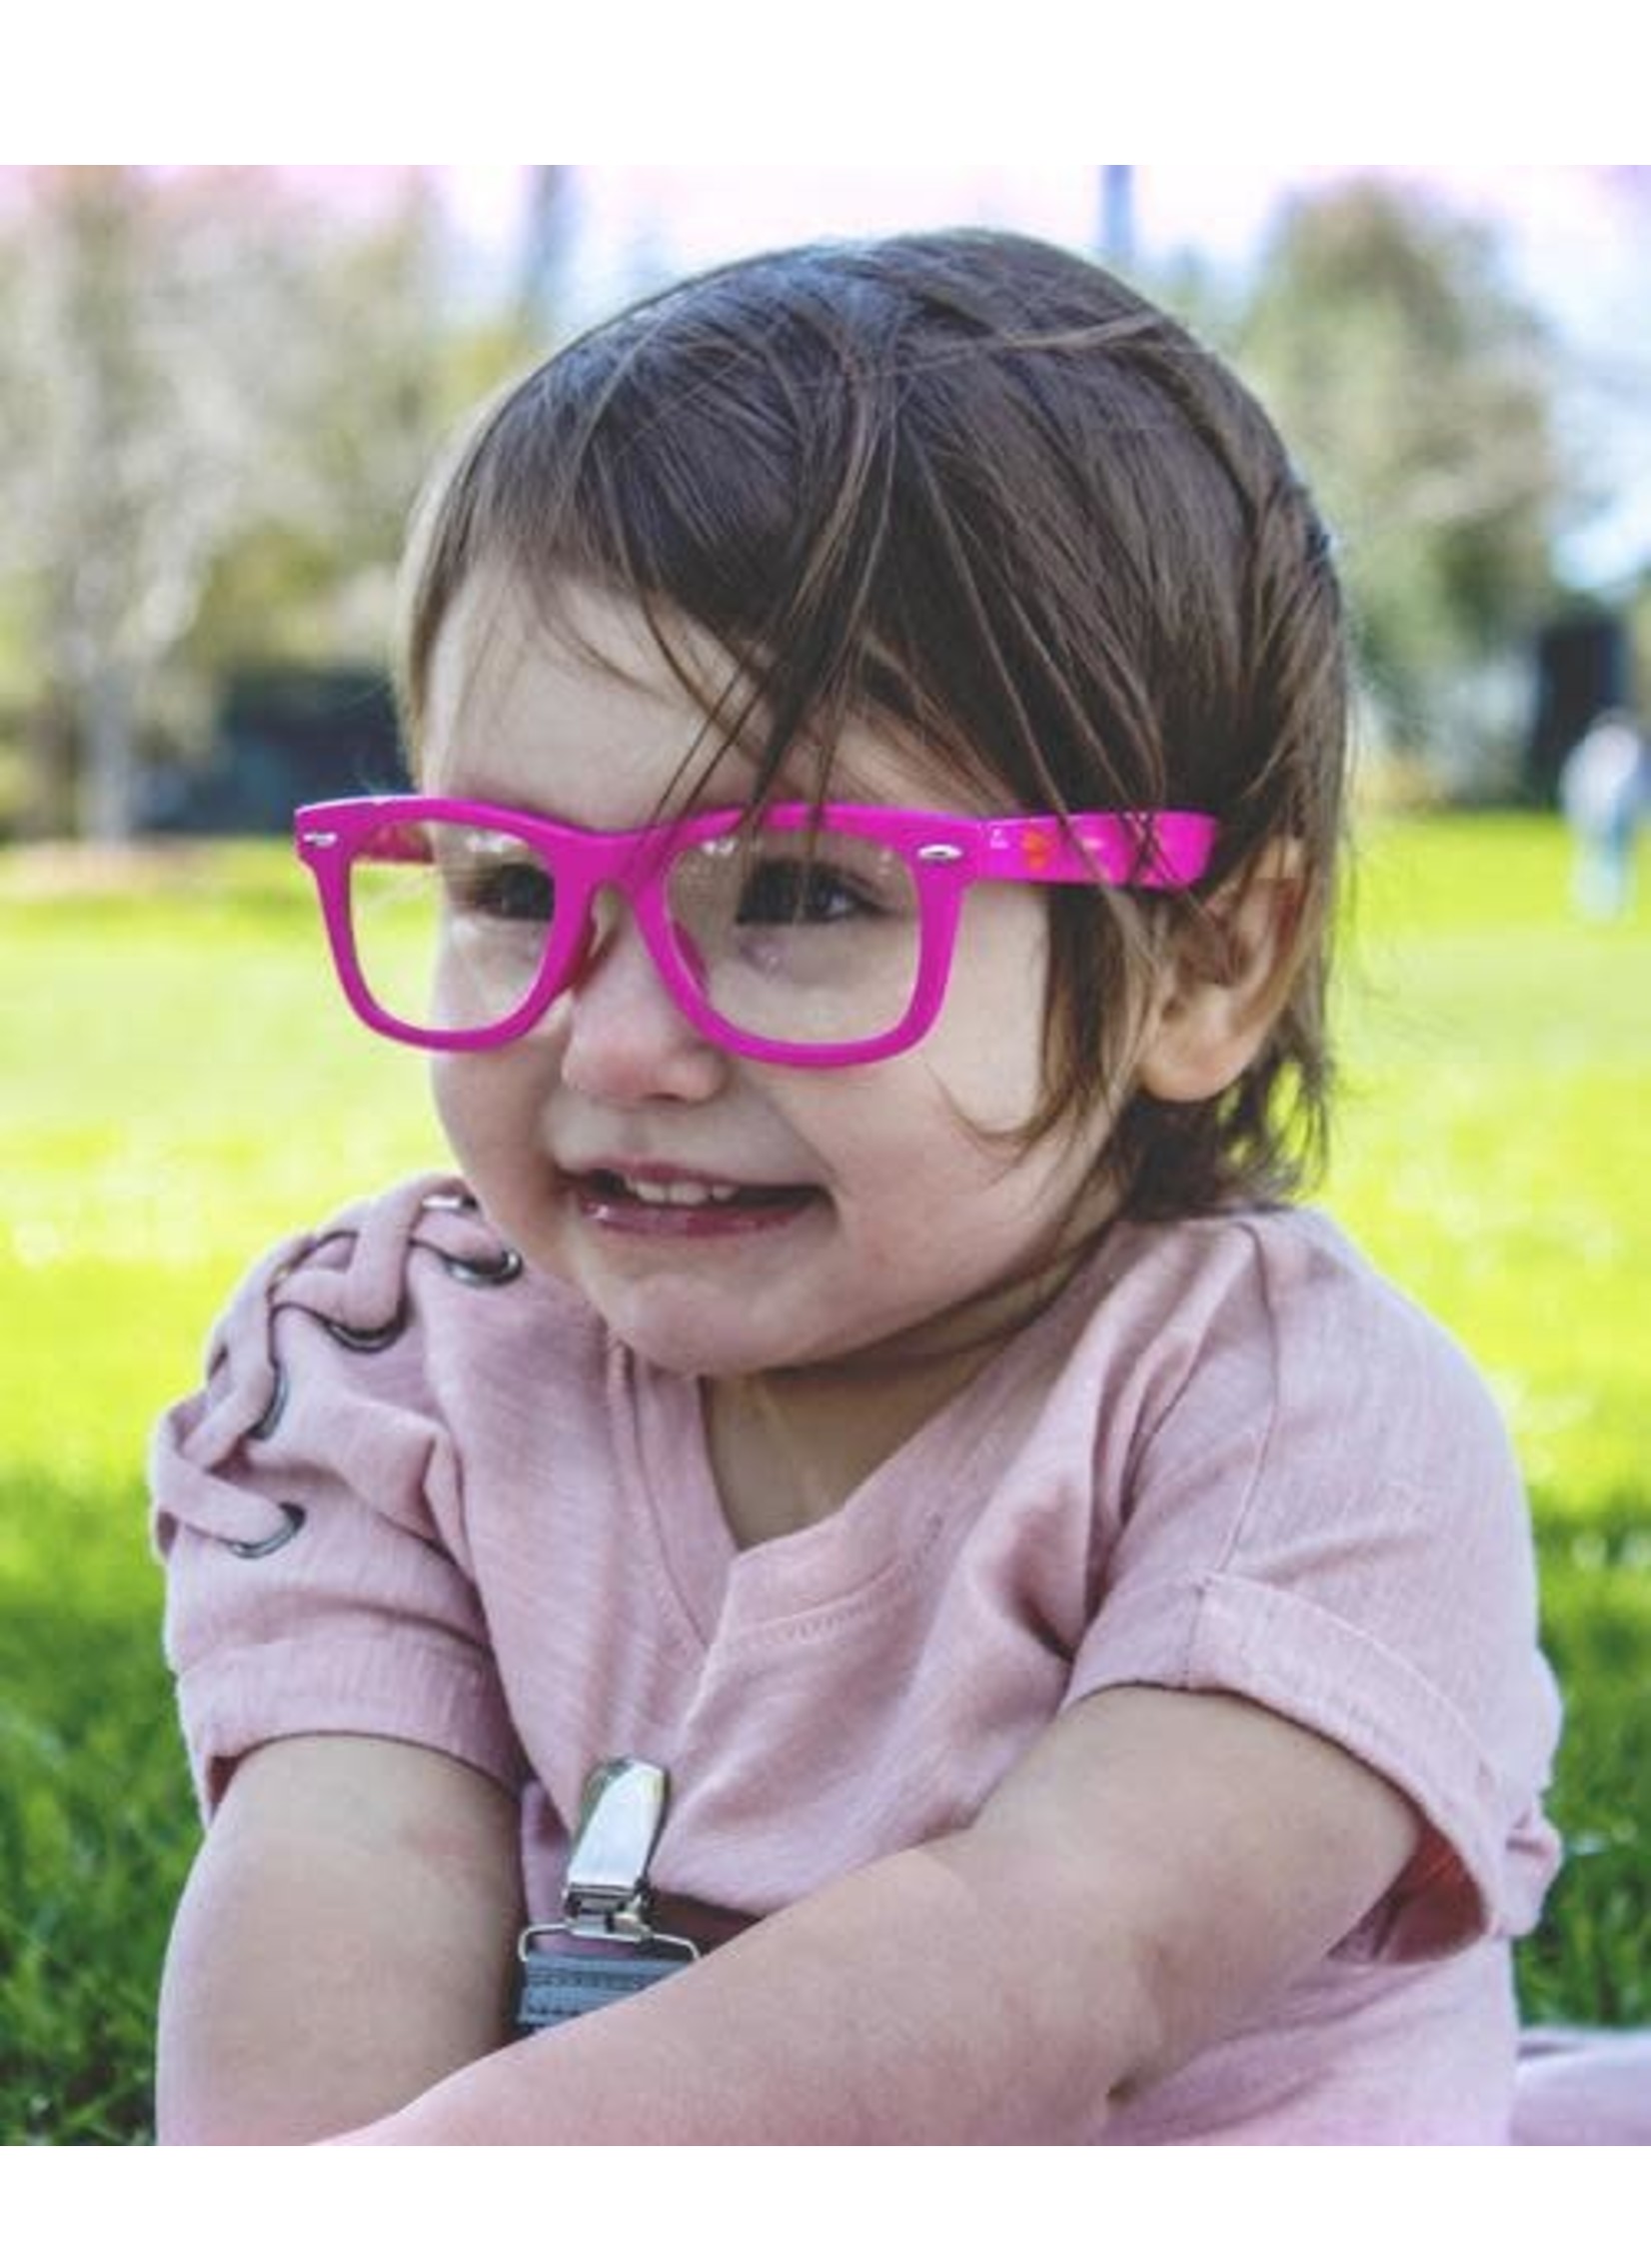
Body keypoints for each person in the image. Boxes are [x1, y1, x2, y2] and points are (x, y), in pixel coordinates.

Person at [149, 229, 1587, 2146]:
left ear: (1200, 961)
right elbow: (328, 1920)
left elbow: (1057, 1958)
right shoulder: (395, 1369)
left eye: (807, 891)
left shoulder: (1301, 1435)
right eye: (509, 883)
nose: (621, 1039)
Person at [1559, 708, 1647, 919]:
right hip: (1615, 811)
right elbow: (1636, 784)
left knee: (1594, 856)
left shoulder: (1589, 747)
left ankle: (1596, 903)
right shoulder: (1628, 747)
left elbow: (1573, 780)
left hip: (1593, 809)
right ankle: (1608, 904)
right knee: (1614, 858)